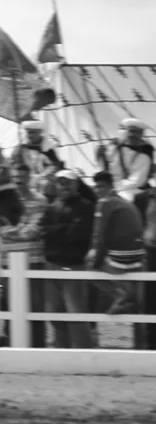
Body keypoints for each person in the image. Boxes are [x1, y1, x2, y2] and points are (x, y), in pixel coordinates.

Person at [38, 170, 97, 348]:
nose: (64, 186)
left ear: (76, 184)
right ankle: (61, 349)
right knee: (53, 311)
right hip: (52, 265)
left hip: (74, 266)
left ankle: (82, 350)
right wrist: (62, 229)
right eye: (60, 182)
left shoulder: (86, 206)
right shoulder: (51, 207)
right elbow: (43, 230)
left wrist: (54, 231)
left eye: (68, 182)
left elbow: (78, 234)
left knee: (75, 312)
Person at [88, 170, 145, 316]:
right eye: (97, 187)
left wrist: (95, 261)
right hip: (139, 256)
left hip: (122, 258)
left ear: (110, 186)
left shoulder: (104, 203)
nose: (99, 190)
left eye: (102, 186)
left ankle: (120, 296)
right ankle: (125, 299)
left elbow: (99, 236)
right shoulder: (123, 201)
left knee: (89, 269)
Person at [97, 118, 152, 209]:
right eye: (131, 131)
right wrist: (100, 157)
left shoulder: (144, 154)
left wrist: (114, 188)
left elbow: (136, 181)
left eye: (137, 132)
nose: (133, 135)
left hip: (129, 190)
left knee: (123, 205)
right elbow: (104, 167)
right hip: (109, 186)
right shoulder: (112, 146)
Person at [12, 120, 64, 200]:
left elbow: (55, 166)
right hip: (25, 180)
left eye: (32, 133)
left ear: (40, 132)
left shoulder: (48, 148)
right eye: (28, 132)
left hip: (43, 181)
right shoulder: (20, 149)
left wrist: (41, 176)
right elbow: (14, 165)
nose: (30, 135)